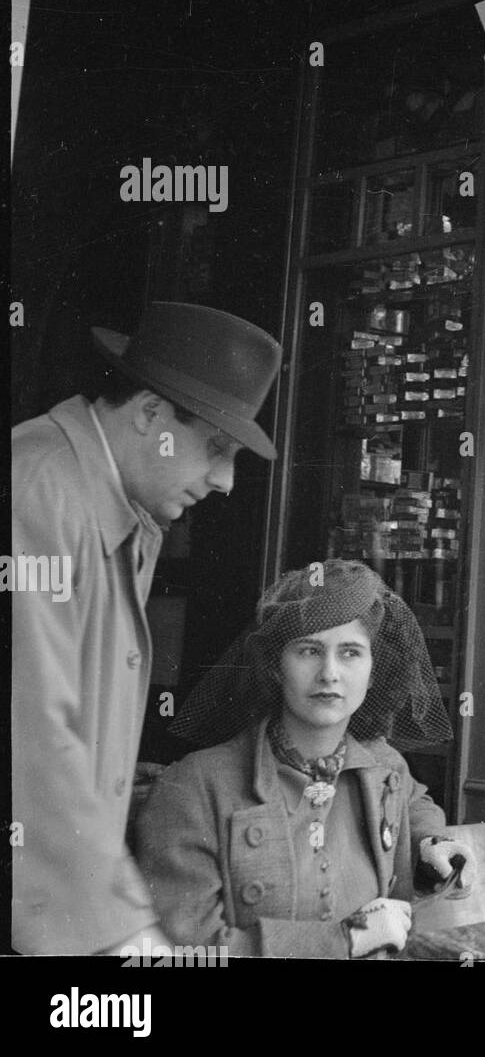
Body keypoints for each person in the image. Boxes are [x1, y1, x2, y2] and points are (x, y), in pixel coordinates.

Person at [11, 301, 282, 956]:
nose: (223, 481)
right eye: (216, 448)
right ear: (150, 414)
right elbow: (31, 729)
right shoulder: (40, 488)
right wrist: (117, 926)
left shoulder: (106, 497)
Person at [135, 559, 475, 958]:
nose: (329, 673)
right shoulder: (194, 788)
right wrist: (342, 941)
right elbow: (182, 952)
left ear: (372, 669)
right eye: (309, 650)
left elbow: (412, 802)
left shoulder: (381, 764)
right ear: (276, 666)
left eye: (350, 653)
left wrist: (427, 843)